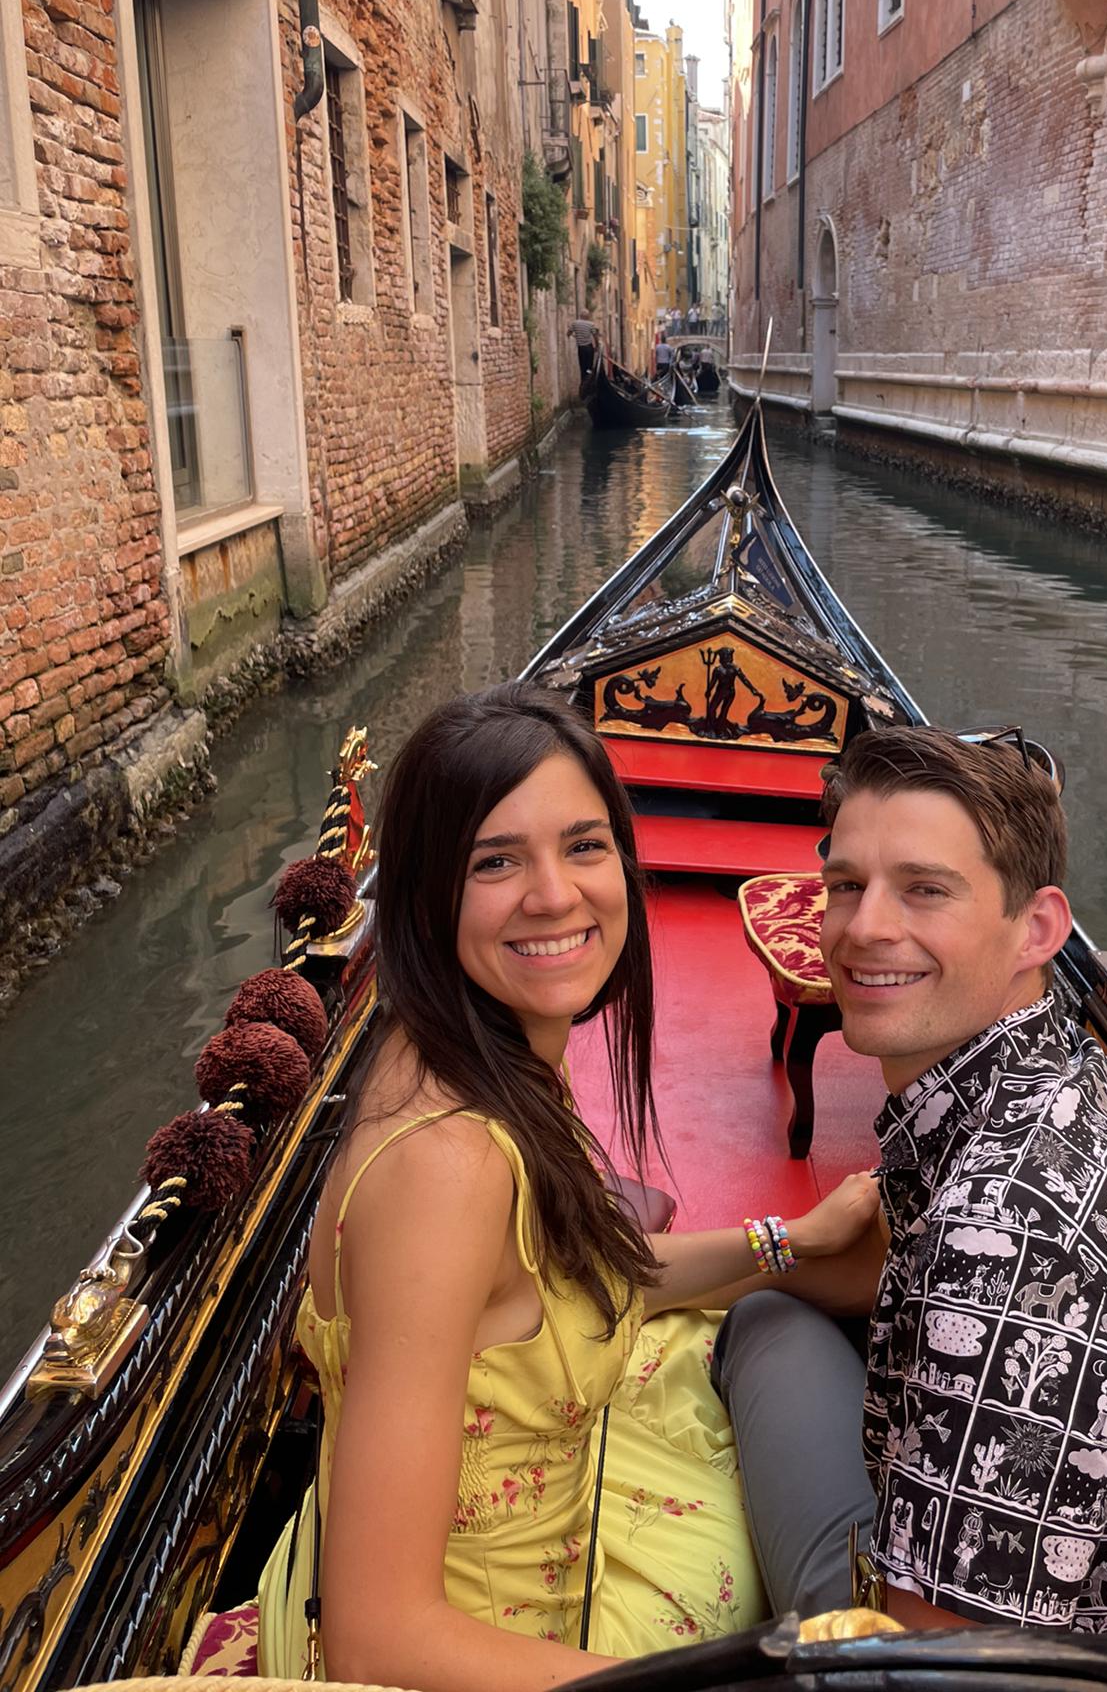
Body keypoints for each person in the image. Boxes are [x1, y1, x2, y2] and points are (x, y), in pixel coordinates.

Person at [257, 682, 879, 1690]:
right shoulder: (448, 1167)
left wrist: (788, 1240)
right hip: (481, 1653)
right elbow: (380, 1636)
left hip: (509, 1551)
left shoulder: (482, 1054)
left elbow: (580, 1273)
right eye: (495, 861)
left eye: (584, 846)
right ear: (425, 896)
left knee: (771, 1314)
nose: (555, 895)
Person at [715, 727, 1107, 1679]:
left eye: (924, 890)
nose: (861, 928)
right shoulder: (1066, 1069)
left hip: (1064, 1667)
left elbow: (933, 1672)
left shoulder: (1004, 1235)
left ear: (1039, 928)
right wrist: (769, 1251)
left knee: (759, 1327)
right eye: (846, 885)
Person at [570, 312, 599, 387]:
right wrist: (597, 346)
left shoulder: (575, 323)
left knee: (583, 367)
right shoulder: (591, 324)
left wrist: (574, 336)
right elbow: (595, 336)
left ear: (580, 316)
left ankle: (583, 383)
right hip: (589, 348)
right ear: (587, 317)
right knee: (589, 367)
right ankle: (589, 383)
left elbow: (569, 333)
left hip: (581, 349)